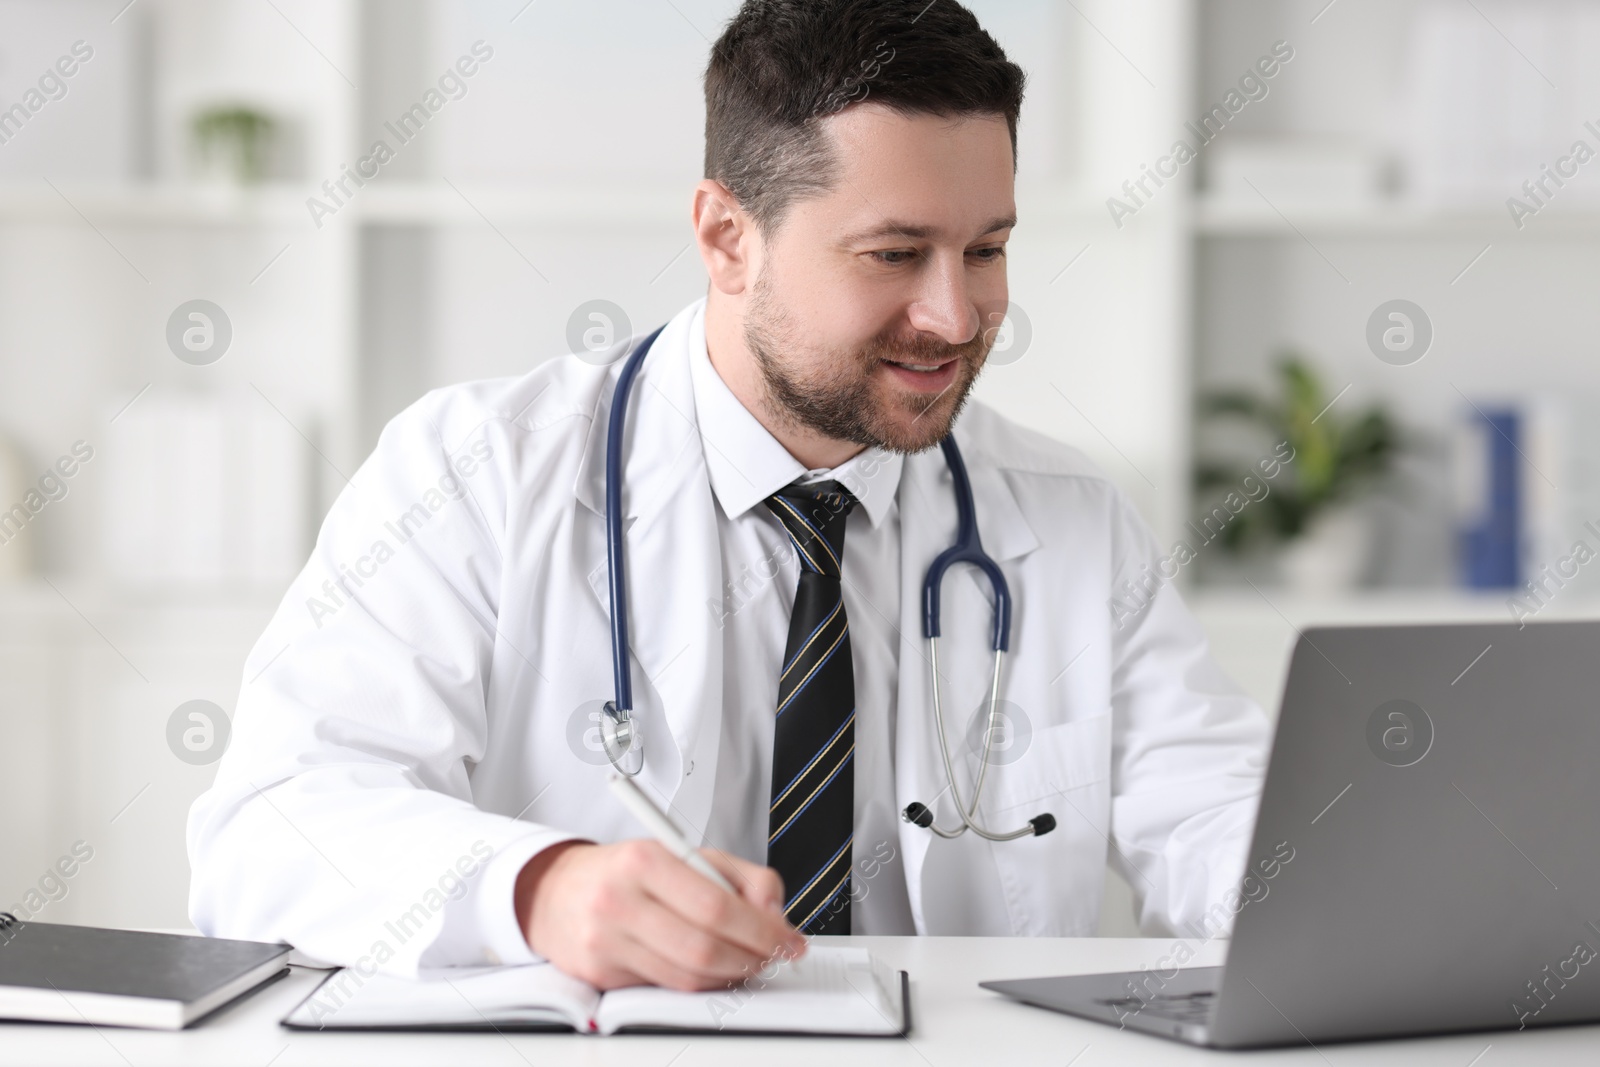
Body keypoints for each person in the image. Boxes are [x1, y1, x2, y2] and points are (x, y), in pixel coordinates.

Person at [188, 0, 1269, 994]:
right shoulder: (473, 474)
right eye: (894, 253)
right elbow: (271, 828)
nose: (954, 314)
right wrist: (540, 887)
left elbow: (1218, 816)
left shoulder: (1069, 518)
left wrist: (1321, 887)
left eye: (985, 248)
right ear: (725, 237)